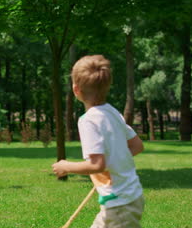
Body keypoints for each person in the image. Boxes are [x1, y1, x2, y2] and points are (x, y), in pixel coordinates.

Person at [52, 55, 145, 228]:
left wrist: (65, 166)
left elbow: (97, 165)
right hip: (129, 198)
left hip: (120, 204)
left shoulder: (88, 121)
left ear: (76, 89)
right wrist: (115, 162)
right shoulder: (112, 112)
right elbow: (137, 146)